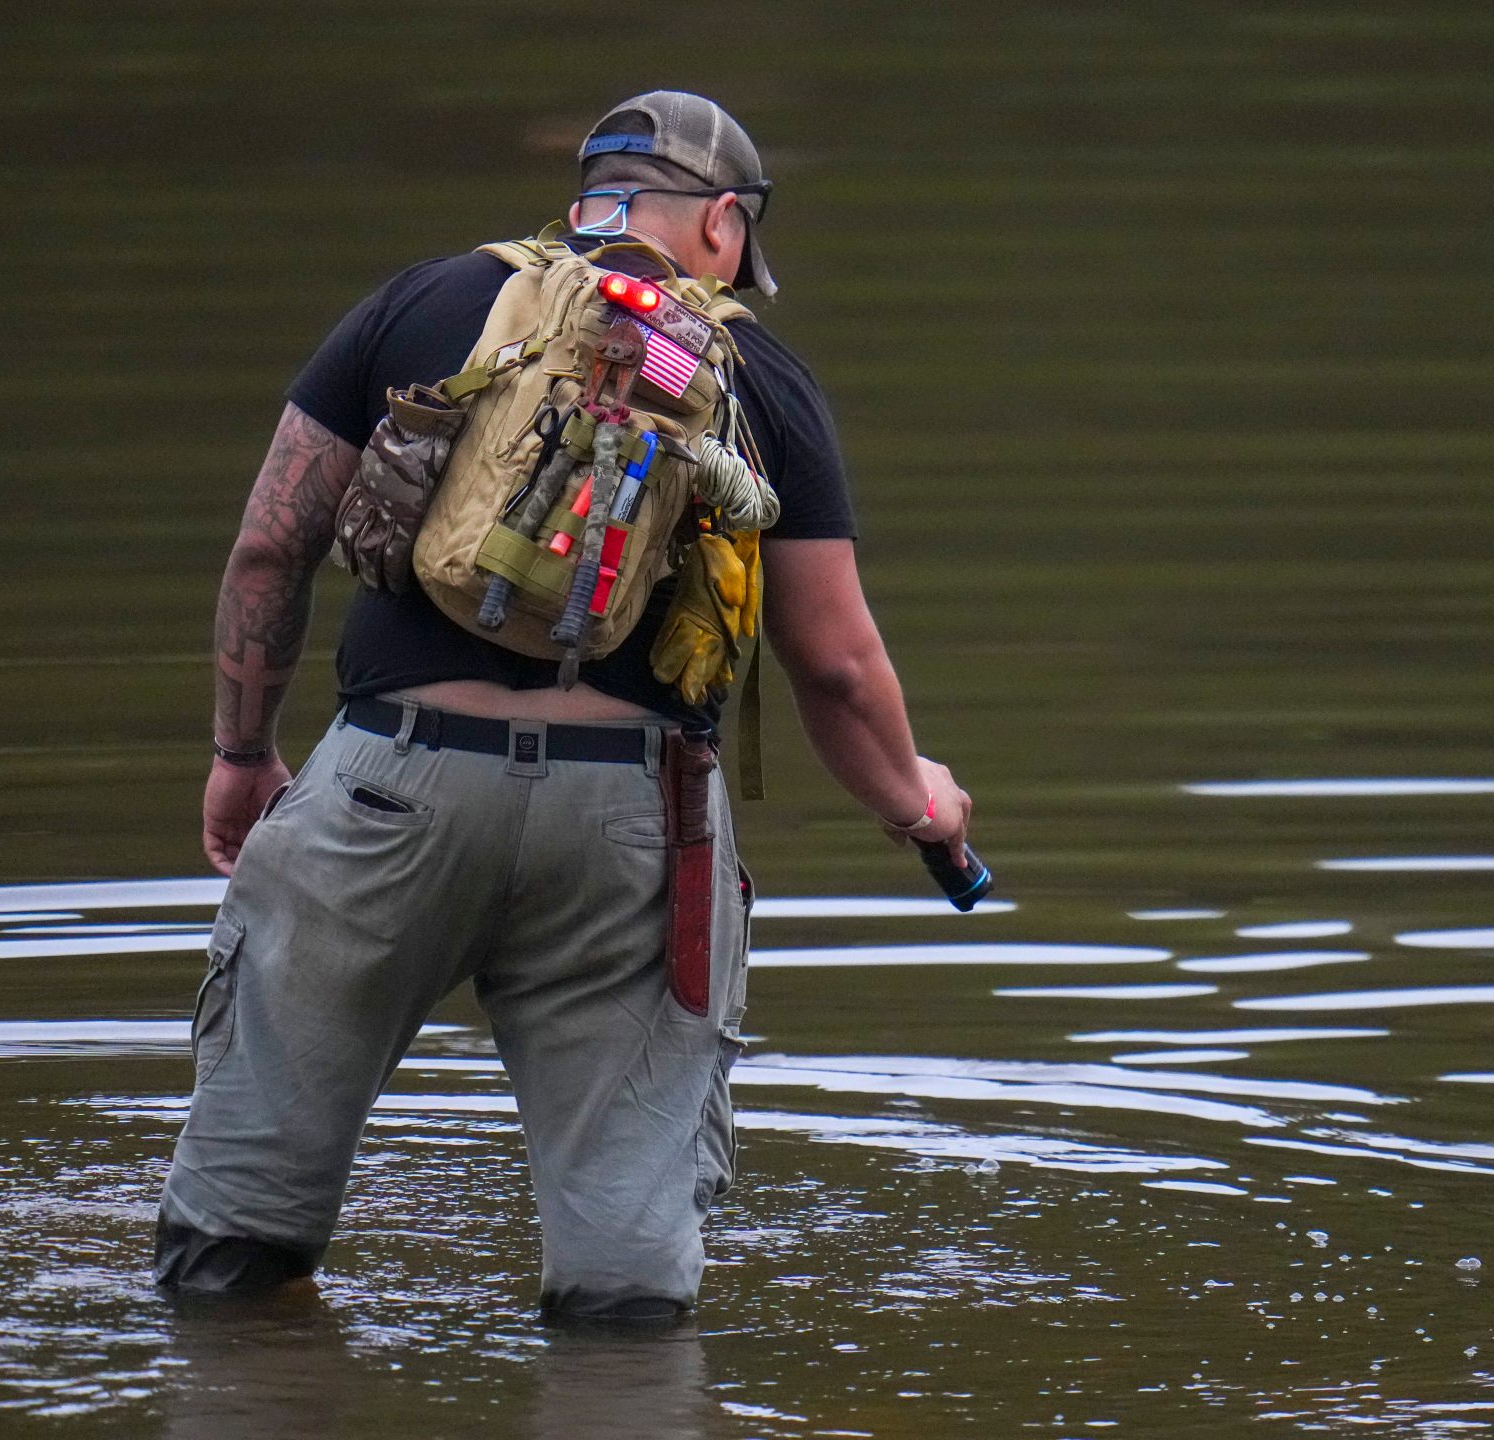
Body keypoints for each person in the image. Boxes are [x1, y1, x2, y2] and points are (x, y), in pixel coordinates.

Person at [157, 89, 975, 1322]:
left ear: (590, 198)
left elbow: (270, 553)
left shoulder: (420, 306)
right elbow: (837, 669)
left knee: (229, 1254)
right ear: (719, 225)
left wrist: (240, 751)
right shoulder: (750, 376)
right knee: (626, 1298)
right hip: (635, 829)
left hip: (389, 790)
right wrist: (921, 807)